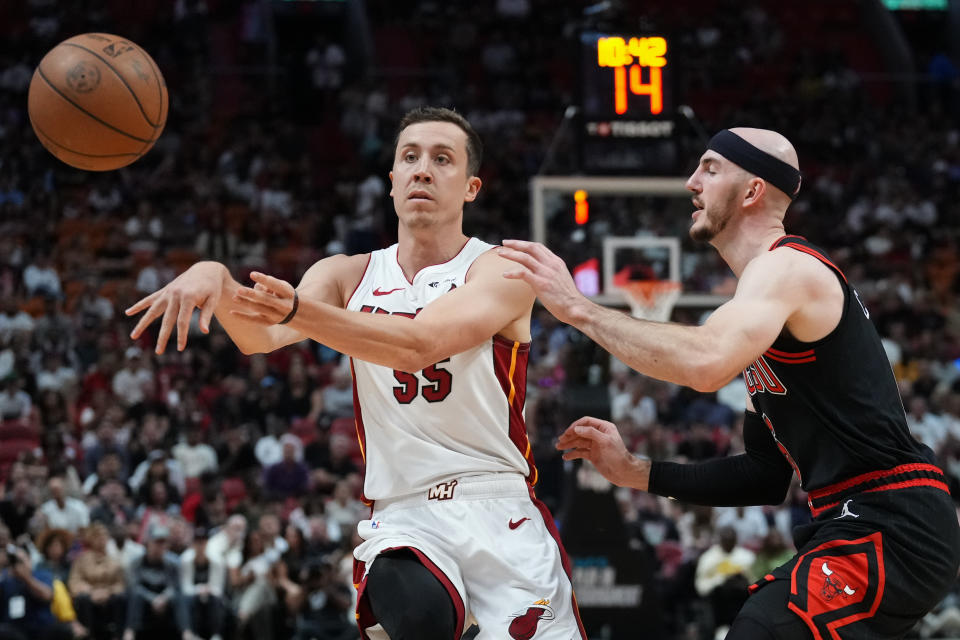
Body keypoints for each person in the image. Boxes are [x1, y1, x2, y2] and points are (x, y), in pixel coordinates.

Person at [126, 106, 585, 639]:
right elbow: (261, 336)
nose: (422, 170)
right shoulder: (345, 274)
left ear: (471, 188)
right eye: (409, 157)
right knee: (418, 617)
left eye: (442, 159)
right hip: (406, 513)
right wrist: (216, 279)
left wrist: (301, 310)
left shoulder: (502, 269)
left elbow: (418, 344)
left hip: (497, 502)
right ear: (391, 183)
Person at [498, 127, 960, 639]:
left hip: (893, 520)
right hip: (854, 520)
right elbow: (763, 474)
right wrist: (637, 472)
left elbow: (704, 363)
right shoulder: (755, 313)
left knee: (763, 627)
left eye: (710, 168)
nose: (691, 182)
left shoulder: (788, 268)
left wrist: (579, 309)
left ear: (752, 190)